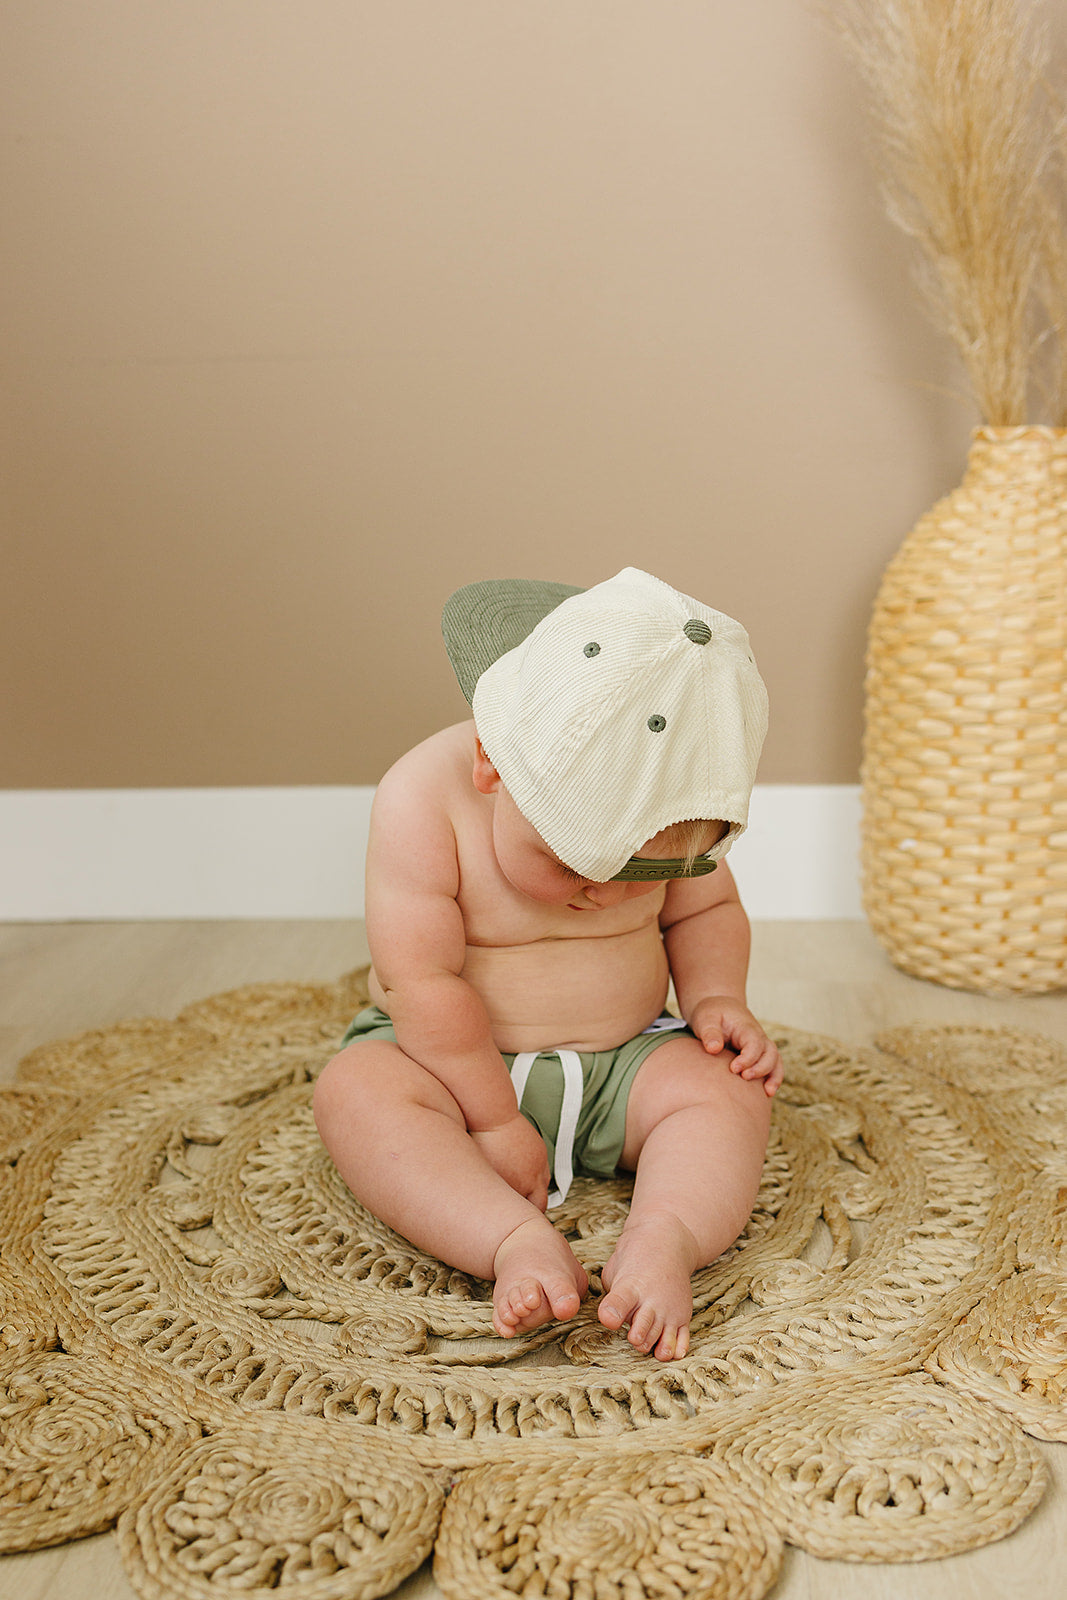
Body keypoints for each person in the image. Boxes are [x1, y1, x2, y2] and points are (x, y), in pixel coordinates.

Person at [313, 567, 781, 1362]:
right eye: (574, 862)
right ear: (492, 766)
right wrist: (493, 1118)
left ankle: (664, 1236)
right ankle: (507, 1240)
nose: (600, 896)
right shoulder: (420, 802)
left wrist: (714, 1001)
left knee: (728, 1096)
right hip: (451, 1070)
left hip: (627, 1060)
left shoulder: (667, 808)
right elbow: (422, 982)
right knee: (356, 1097)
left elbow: (704, 910)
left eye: (638, 877)